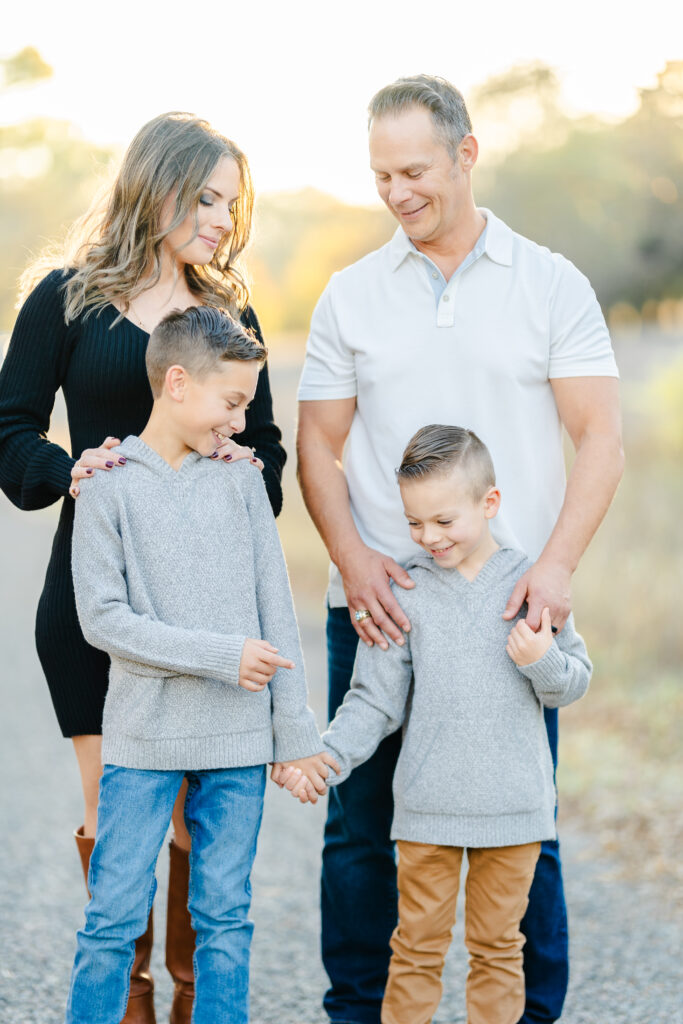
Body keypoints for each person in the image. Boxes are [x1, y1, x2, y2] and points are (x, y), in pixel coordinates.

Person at [296, 76, 623, 1024]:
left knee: (528, 822)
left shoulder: (550, 282)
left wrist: (553, 569)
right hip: (379, 603)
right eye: (379, 175)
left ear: (466, 154)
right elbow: (317, 445)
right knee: (360, 829)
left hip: (509, 605)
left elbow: (597, 437)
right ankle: (361, 1012)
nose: (396, 193)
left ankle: (526, 1015)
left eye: (413, 170)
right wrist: (356, 562)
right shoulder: (350, 294)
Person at [0, 112, 286, 1023]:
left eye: (229, 204)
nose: (219, 219)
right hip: (96, 604)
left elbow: (267, 448)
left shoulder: (226, 313)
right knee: (120, 818)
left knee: (197, 828)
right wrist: (66, 468)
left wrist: (248, 468)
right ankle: (124, 1004)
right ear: (154, 188)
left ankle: (195, 996)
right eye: (204, 198)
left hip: (205, 607)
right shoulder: (65, 299)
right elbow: (8, 431)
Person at [65, 305, 334, 1024]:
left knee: (225, 920)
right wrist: (222, 657)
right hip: (144, 740)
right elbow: (104, 621)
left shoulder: (242, 481)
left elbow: (275, 610)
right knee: (112, 922)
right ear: (177, 382)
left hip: (238, 743)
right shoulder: (107, 485)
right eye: (233, 402)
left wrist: (295, 731)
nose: (242, 423)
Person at [283, 424, 592, 1024]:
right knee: (417, 949)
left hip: (513, 812)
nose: (429, 538)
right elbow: (375, 701)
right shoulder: (409, 590)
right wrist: (328, 756)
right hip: (427, 812)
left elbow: (573, 681)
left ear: (490, 503)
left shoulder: (531, 585)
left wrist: (542, 660)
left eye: (444, 522)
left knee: (500, 950)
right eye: (415, 523)